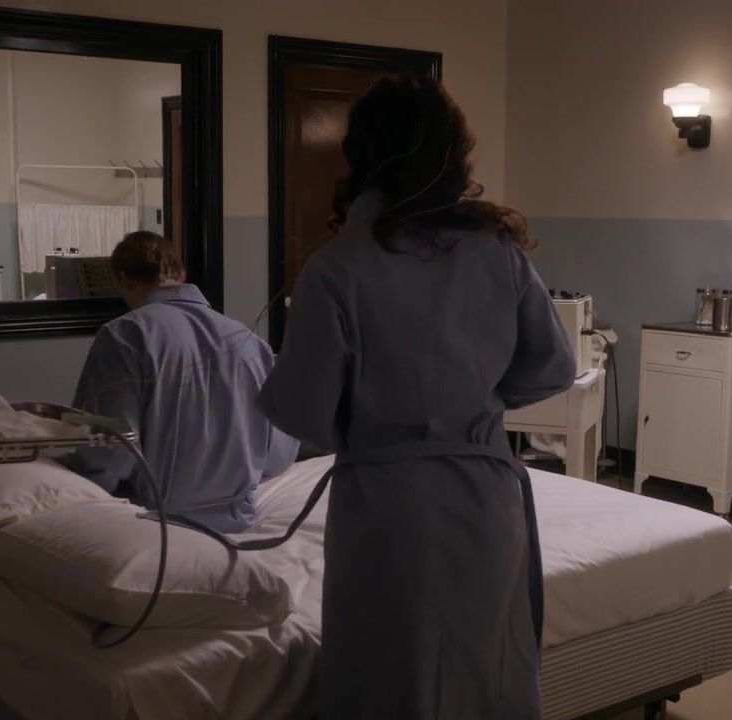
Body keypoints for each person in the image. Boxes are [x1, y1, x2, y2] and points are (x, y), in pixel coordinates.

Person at [258, 75, 576, 719]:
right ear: (455, 154)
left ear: (360, 154)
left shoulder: (337, 266)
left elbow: (302, 413)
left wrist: (376, 420)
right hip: (485, 499)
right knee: (484, 671)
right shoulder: (499, 253)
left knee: (389, 677)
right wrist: (473, 403)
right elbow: (552, 368)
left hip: (389, 508)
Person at [66, 231, 299, 534]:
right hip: (237, 521)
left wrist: (78, 485)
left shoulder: (125, 336)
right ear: (182, 274)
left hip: (153, 526)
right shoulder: (249, 342)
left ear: (122, 279)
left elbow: (109, 449)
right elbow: (279, 455)